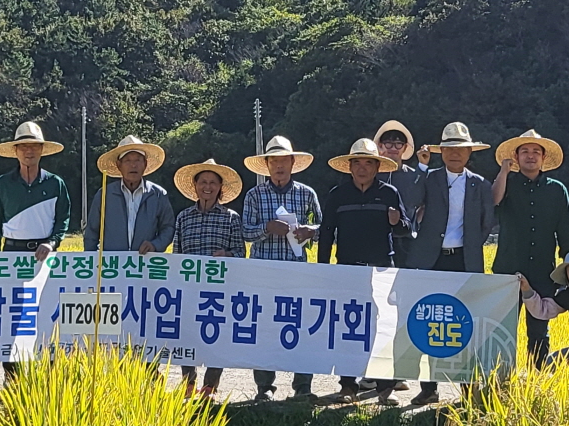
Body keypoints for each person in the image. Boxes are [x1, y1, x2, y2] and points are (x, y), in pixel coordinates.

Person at [406, 122, 497, 405]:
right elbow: (410, 200)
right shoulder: (430, 178)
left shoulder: (480, 184)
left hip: (464, 260)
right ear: (441, 151)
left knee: (463, 323)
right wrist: (420, 168)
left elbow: (486, 223)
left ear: (470, 152)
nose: (454, 154)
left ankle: (467, 387)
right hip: (431, 259)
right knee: (430, 321)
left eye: (460, 149)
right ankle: (429, 387)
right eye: (448, 149)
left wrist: (469, 245)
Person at [318, 138, 407, 404]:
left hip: (381, 269)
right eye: (358, 163)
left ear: (377, 167)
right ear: (350, 166)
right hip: (348, 269)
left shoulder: (390, 193)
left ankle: (383, 388)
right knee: (349, 325)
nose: (363, 168)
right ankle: (347, 385)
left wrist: (397, 220)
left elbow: (406, 230)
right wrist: (324, 269)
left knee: (382, 327)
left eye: (369, 163)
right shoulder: (337, 195)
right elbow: (325, 233)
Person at [0, 122, 72, 381]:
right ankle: (12, 377)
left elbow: (63, 220)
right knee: (11, 317)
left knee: (46, 315)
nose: (28, 151)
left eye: (34, 146)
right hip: (11, 256)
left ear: (42, 150)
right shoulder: (2, 184)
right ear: (15, 151)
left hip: (44, 257)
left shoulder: (55, 184)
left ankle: (48, 377)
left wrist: (53, 242)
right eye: (23, 146)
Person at [241, 135, 322, 401]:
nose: (279, 166)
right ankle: (264, 388)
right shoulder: (254, 195)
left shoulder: (307, 193)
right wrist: (267, 228)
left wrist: (311, 231)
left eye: (283, 160)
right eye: (273, 161)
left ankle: (302, 388)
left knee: (302, 327)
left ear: (292, 162)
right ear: (266, 165)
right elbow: (245, 231)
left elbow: (325, 228)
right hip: (263, 272)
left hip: (297, 271)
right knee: (264, 329)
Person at [491, 129, 569, 368]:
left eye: (535, 152)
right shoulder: (505, 183)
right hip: (507, 269)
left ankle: (537, 381)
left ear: (543, 158)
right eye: (525, 152)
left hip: (542, 271)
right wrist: (503, 172)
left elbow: (566, 235)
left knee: (539, 330)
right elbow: (493, 202)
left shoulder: (557, 190)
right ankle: (500, 380)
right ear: (516, 157)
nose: (530, 156)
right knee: (502, 329)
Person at [171, 158, 246, 400]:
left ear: (220, 187)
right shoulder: (184, 217)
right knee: (187, 334)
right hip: (189, 286)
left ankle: (210, 386)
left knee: (217, 335)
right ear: (194, 185)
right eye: (203, 181)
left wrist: (227, 255)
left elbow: (240, 252)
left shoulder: (231, 217)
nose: (208, 186)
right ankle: (188, 383)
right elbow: (178, 253)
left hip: (219, 288)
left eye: (213, 182)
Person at [85, 136, 175, 254]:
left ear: (145, 164)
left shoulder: (158, 195)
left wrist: (155, 245)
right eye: (128, 160)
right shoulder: (104, 194)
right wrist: (91, 260)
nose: (133, 165)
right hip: (112, 265)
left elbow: (168, 228)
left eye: (138, 160)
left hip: (145, 263)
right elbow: (91, 232)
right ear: (119, 165)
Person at [374, 120, 429, 268]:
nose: (393, 148)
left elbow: (417, 200)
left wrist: (422, 166)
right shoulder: (372, 176)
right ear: (380, 146)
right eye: (388, 143)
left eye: (398, 144)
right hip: (376, 240)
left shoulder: (413, 175)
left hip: (406, 241)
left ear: (405, 148)